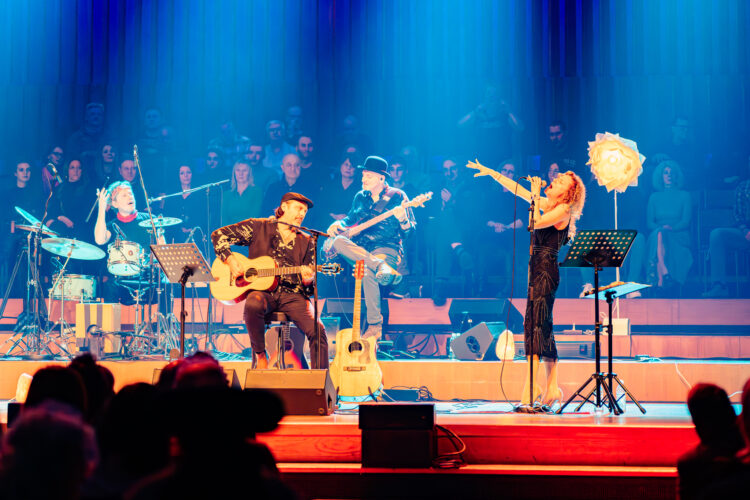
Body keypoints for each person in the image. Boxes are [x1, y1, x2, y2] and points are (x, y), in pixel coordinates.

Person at [467, 160, 585, 410]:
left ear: (568, 193)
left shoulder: (563, 209)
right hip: (535, 269)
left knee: (535, 325)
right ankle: (551, 387)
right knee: (540, 326)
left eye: (561, 181)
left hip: (546, 272)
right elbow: (517, 190)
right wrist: (492, 172)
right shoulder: (548, 204)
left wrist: (534, 194)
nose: (554, 179)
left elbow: (534, 223)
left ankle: (531, 388)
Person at [211, 192, 327, 369]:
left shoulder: (307, 240)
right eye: (298, 208)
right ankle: (260, 355)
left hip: (293, 296)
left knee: (318, 329)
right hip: (263, 293)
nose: (302, 214)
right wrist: (231, 261)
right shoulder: (258, 227)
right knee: (253, 302)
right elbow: (218, 235)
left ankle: (320, 379)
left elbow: (309, 290)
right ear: (284, 207)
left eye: (305, 211)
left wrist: (307, 280)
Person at [326, 156, 416, 340]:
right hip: (361, 250)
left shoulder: (398, 196)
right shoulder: (360, 197)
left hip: (386, 249)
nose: (363, 179)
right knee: (338, 242)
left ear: (381, 178)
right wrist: (337, 224)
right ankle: (387, 272)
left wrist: (403, 219)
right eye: (363, 175)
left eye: (368, 176)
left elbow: (410, 232)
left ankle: (374, 326)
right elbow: (350, 220)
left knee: (367, 272)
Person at [94, 181, 166, 304]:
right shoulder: (113, 225)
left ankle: (163, 317)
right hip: (121, 278)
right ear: (115, 203)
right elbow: (100, 240)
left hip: (147, 276)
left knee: (165, 283)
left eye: (130, 193)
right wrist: (101, 208)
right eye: (124, 195)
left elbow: (163, 248)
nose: (129, 197)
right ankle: (112, 317)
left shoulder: (151, 219)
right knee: (109, 286)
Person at [703, 156, 750, 297]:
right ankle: (720, 286)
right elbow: (738, 215)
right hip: (746, 234)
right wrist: (745, 230)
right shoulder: (744, 187)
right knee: (717, 234)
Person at [646, 160, 693, 295]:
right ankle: (665, 275)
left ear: (677, 176)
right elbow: (649, 223)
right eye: (666, 173)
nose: (669, 175)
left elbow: (686, 221)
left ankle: (661, 281)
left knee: (660, 236)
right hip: (658, 233)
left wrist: (672, 228)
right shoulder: (654, 197)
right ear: (660, 176)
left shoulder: (685, 196)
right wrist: (661, 228)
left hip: (678, 233)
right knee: (659, 235)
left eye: (672, 173)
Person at [222, 160, 263, 226]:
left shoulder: (257, 191)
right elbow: (224, 219)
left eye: (244, 170)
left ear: (249, 173)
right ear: (234, 173)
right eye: (238, 170)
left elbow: (254, 216)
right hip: (230, 231)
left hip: (249, 230)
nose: (241, 173)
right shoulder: (226, 195)